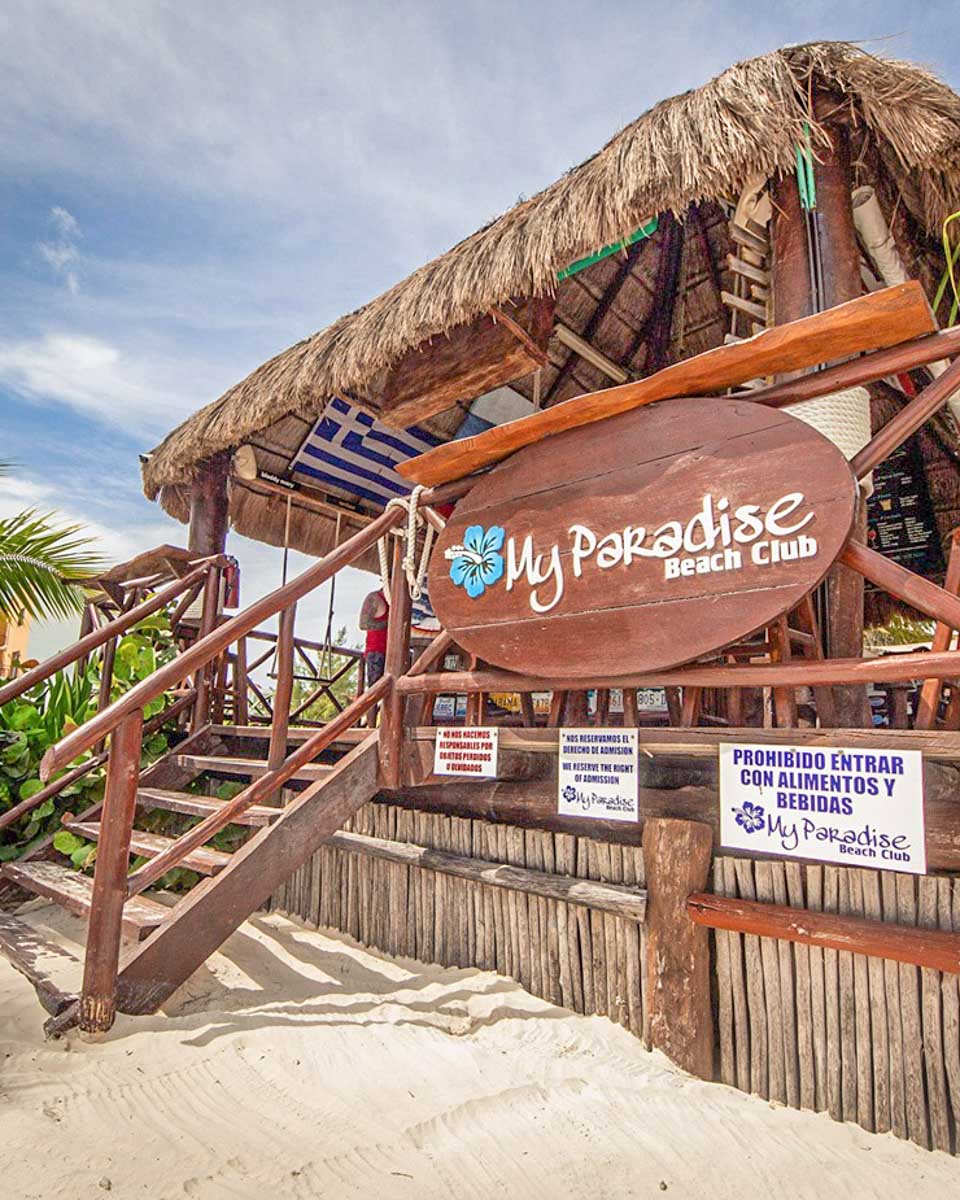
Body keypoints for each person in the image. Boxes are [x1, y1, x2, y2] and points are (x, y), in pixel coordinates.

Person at [359, 587, 389, 687]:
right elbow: (363, 624)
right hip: (376, 652)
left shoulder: (399, 601)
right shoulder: (375, 598)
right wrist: (390, 624)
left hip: (393, 652)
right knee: (375, 689)